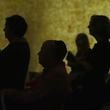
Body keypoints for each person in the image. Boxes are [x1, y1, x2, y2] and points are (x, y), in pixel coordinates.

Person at [83, 15, 110, 110]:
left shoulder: (102, 48)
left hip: (94, 90)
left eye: (91, 24)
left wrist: (83, 63)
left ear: (98, 27)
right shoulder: (102, 46)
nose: (88, 27)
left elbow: (97, 71)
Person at [0, 15, 30, 90]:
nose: (4, 30)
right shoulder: (21, 46)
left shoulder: (16, 48)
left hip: (9, 93)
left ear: (12, 30)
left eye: (6, 27)